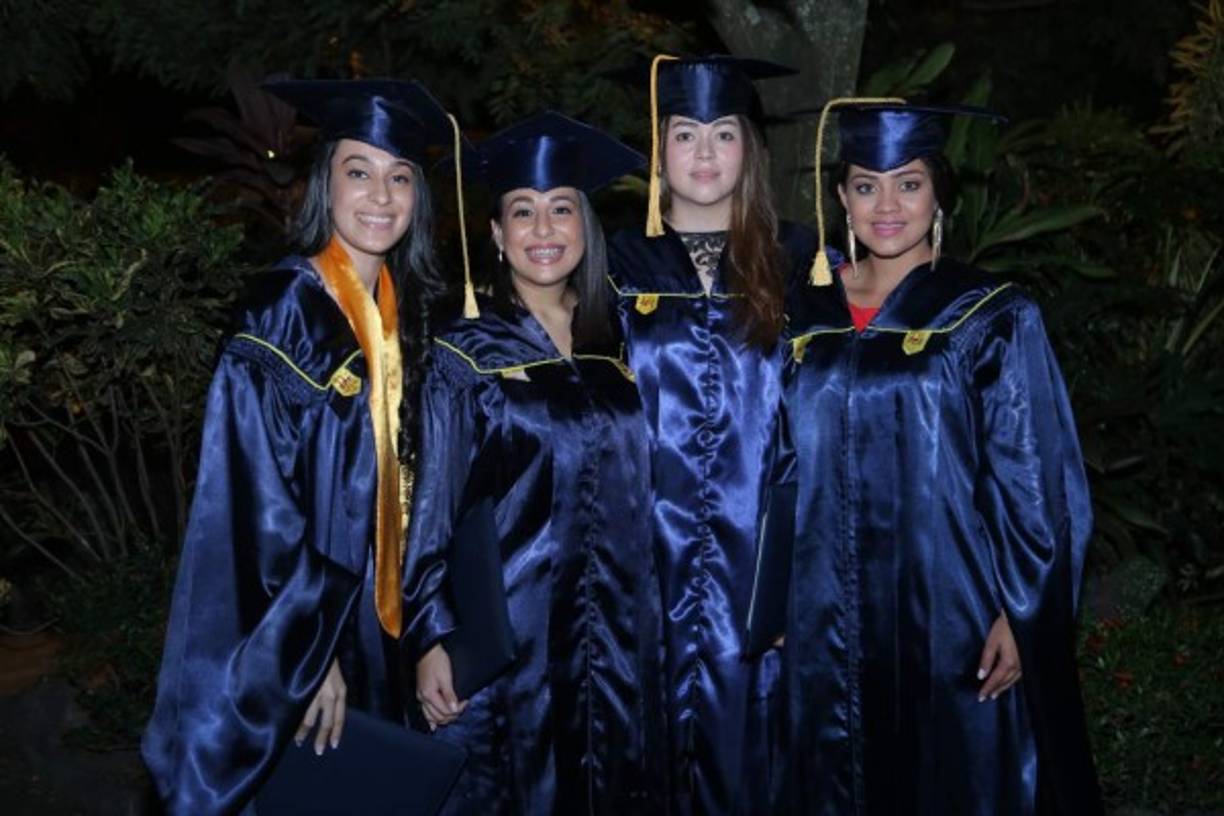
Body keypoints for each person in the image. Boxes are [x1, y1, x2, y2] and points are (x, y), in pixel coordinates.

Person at [778, 100, 1104, 815]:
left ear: (939, 194)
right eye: (866, 185)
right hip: (818, 610)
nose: (886, 205)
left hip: (949, 608)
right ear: (841, 197)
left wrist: (1024, 612)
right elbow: (772, 461)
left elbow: (1035, 475)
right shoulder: (801, 316)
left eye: (910, 183)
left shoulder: (989, 313)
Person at [141, 78, 456, 815]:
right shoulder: (282, 313)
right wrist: (307, 657)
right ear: (326, 183)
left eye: (399, 177)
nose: (380, 195)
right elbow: (252, 502)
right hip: (304, 633)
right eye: (359, 172)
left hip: (382, 630)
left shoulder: (404, 321)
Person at [403, 111, 668, 815]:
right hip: (511, 642)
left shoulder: (624, 346)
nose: (544, 231)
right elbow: (431, 509)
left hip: (618, 634)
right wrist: (431, 636)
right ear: (495, 233)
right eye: (523, 212)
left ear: (586, 227)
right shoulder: (464, 356)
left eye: (561, 210)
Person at [607, 54, 822, 814]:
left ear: (749, 150)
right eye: (685, 133)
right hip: (642, 561)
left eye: (723, 134)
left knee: (758, 758)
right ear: (658, 148)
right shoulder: (611, 263)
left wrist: (808, 577)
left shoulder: (802, 262)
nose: (704, 153)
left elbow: (823, 421)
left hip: (760, 566)